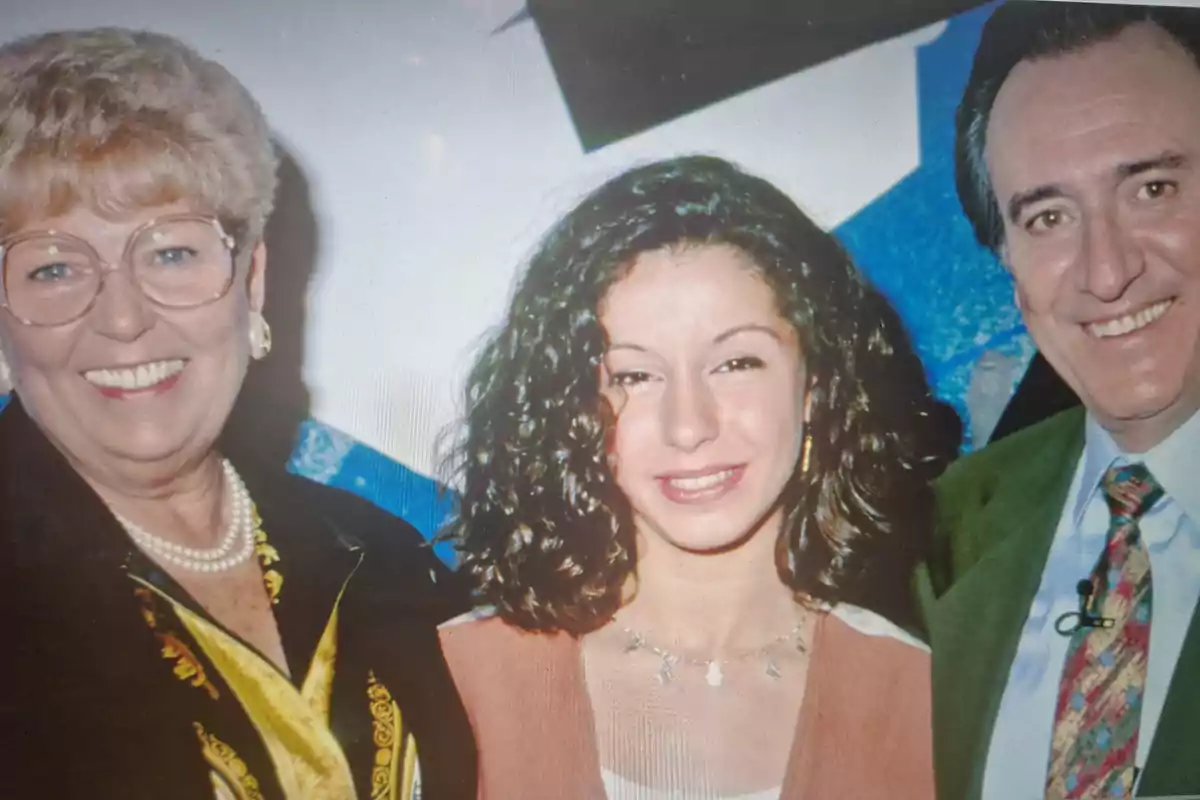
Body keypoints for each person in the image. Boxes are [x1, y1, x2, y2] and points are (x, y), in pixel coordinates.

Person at [0, 28, 475, 799]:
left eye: (172, 253)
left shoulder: (383, 553)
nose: (123, 319)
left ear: (250, 281)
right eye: (53, 267)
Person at [438, 155, 958, 798]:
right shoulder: (460, 677)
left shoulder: (929, 694)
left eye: (737, 362)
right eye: (633, 375)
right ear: (570, 406)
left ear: (816, 388)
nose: (690, 426)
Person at [917, 3, 1200, 798]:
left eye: (1152, 188)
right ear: (1004, 256)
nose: (1106, 273)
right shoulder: (938, 541)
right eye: (1047, 217)